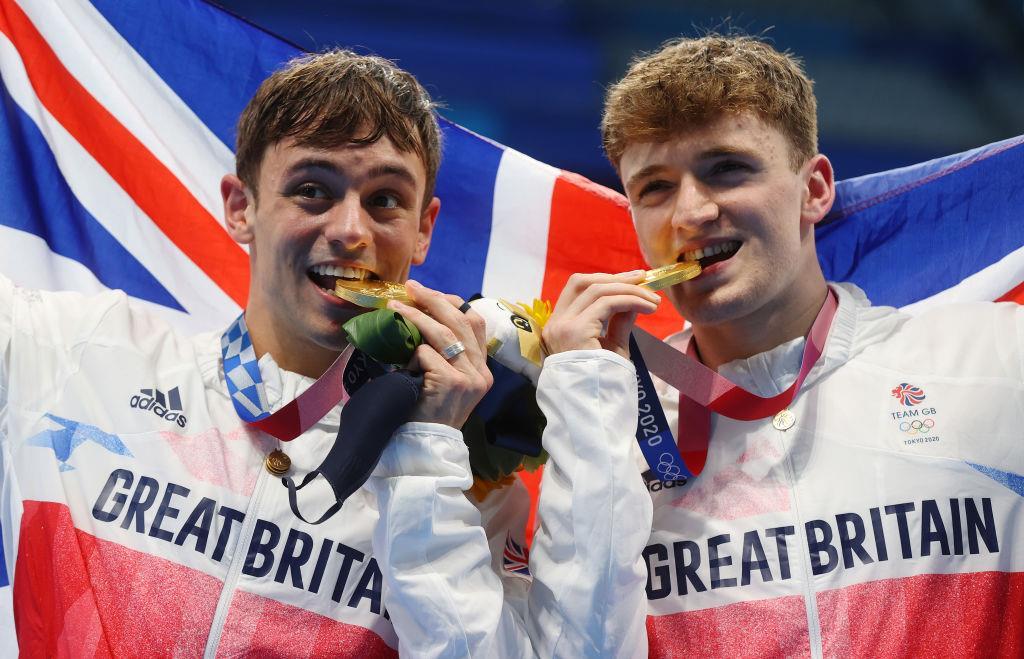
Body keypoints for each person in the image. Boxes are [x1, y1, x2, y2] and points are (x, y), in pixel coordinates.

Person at [0, 49, 650, 657]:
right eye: (312, 189)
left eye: (385, 200)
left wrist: (425, 459)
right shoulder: (76, 353)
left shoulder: (466, 481)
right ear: (240, 207)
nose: (348, 230)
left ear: (423, 230)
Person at [543, 34, 1024, 657]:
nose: (690, 213)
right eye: (654, 188)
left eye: (728, 168)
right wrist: (580, 399)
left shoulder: (995, 362)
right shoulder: (601, 424)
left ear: (815, 189)